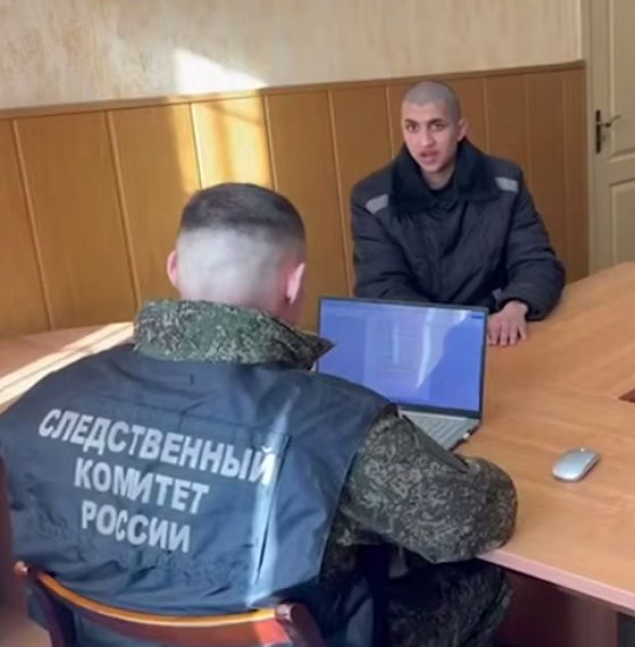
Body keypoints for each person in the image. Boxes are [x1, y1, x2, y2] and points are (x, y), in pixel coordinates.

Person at [0, 183, 516, 647]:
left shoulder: (43, 402)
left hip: (102, 636)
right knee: (480, 580)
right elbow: (472, 521)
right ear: (294, 283)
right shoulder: (337, 424)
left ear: (174, 268)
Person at [350, 80, 565, 347]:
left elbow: (537, 261)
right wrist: (446, 329)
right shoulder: (372, 198)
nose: (425, 141)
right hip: (420, 339)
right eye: (412, 127)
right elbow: (380, 287)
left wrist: (516, 305)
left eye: (437, 126)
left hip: (497, 330)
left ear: (460, 130)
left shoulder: (506, 182)